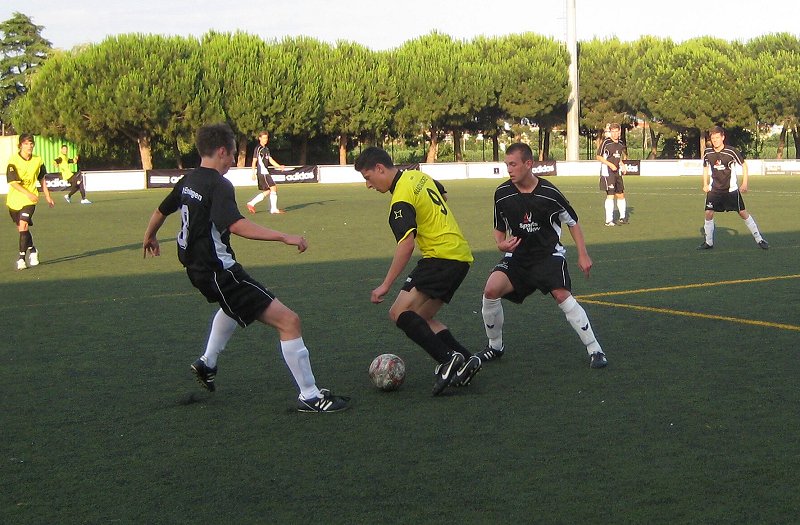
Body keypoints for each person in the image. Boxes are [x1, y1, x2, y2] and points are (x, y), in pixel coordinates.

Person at [143, 123, 349, 413]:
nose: (231, 161)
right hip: (220, 272)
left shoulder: (189, 180)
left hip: (197, 270)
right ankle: (311, 396)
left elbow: (161, 210)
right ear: (222, 151)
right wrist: (284, 236)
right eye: (231, 155)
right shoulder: (218, 185)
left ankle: (207, 363)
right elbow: (237, 225)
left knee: (231, 306)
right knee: (289, 321)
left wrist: (149, 235)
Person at [354, 146, 481, 396]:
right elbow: (442, 194)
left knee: (398, 313)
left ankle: (447, 359)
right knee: (421, 318)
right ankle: (466, 359)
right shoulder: (417, 176)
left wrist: (385, 285)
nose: (368, 185)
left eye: (368, 177)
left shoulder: (400, 200)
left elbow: (406, 245)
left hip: (440, 257)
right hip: (460, 256)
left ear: (380, 169)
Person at [478, 143, 607, 369]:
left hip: (548, 256)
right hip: (517, 258)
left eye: (513, 164)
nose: (509, 169)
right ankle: (495, 346)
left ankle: (595, 349)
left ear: (529, 164)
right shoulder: (502, 194)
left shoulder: (550, 193)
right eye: (507, 164)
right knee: (490, 290)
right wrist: (501, 244)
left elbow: (573, 223)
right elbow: (499, 228)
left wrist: (583, 254)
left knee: (562, 295)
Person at [698, 125, 768, 250]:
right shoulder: (708, 152)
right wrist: (705, 183)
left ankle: (759, 239)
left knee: (743, 213)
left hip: (731, 190)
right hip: (714, 190)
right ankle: (708, 242)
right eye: (713, 138)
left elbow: (744, 165)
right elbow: (705, 167)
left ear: (723, 137)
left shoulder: (731, 151)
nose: (715, 140)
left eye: (717, 137)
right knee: (708, 213)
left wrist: (744, 183)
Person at [6, 134, 55, 270]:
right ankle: (33, 250)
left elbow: (42, 179)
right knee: (22, 229)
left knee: (23, 225)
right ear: (20, 145)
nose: (29, 146)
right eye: (26, 143)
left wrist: (47, 196)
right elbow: (13, 183)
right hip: (14, 200)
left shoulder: (38, 160)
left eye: (31, 143)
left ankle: (21, 259)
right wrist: (27, 193)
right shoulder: (13, 161)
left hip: (30, 200)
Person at [596, 123, 628, 226]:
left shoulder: (621, 143)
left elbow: (618, 157)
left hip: (617, 172)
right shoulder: (606, 142)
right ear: (610, 132)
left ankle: (622, 217)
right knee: (610, 194)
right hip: (607, 172)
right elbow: (598, 157)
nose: (614, 134)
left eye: (616, 131)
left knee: (620, 194)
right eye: (612, 132)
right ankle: (609, 220)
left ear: (619, 132)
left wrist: (622, 165)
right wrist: (610, 165)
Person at [246, 131, 286, 214]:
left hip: (265, 172)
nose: (265, 140)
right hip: (262, 173)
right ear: (260, 138)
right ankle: (273, 209)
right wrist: (253, 173)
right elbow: (254, 161)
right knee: (273, 187)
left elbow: (270, 160)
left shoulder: (266, 149)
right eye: (264, 138)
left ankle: (251, 203)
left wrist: (279, 166)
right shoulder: (258, 148)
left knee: (268, 191)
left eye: (266, 138)